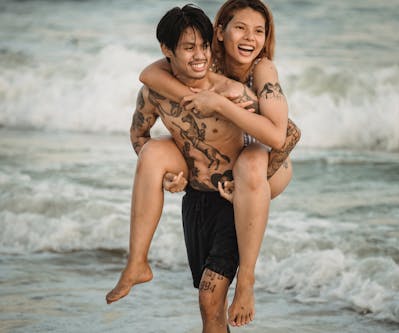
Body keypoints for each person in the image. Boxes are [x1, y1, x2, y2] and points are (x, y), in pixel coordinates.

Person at [139, 0, 300, 327]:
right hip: (219, 177)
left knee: (250, 164)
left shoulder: (262, 70)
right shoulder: (204, 58)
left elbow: (286, 136)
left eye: (259, 31)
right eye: (240, 27)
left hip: (269, 168)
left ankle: (248, 280)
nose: (250, 38)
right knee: (209, 300)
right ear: (220, 31)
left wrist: (219, 104)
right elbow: (149, 73)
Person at [108, 5, 267, 332]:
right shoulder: (155, 93)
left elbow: (283, 135)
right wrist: (168, 176)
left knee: (210, 300)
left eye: (205, 46)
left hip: (230, 204)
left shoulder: (232, 93)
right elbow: (139, 134)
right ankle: (137, 262)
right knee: (210, 308)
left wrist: (256, 179)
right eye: (189, 47)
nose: (200, 55)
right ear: (167, 51)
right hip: (194, 200)